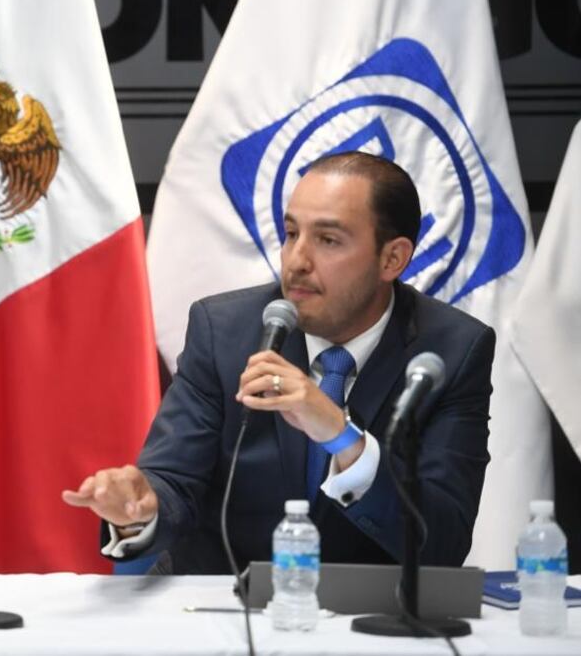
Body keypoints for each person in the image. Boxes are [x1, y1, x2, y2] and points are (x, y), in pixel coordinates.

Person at [64, 151, 495, 573]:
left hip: (367, 618)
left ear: (392, 258)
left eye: (328, 240)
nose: (297, 261)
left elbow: (442, 542)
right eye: (292, 233)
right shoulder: (224, 331)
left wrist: (340, 436)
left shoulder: (452, 350)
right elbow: (173, 483)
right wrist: (141, 508)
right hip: (227, 606)